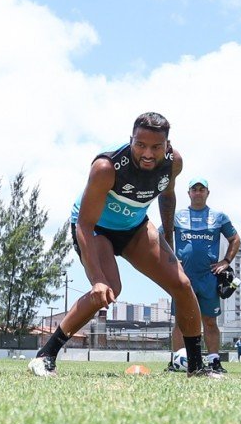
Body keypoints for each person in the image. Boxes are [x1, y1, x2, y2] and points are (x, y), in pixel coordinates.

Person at [30, 112, 214, 378]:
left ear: (167, 145)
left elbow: (168, 195)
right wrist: (97, 279)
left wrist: (169, 240)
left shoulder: (174, 162)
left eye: (156, 147)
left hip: (135, 227)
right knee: (109, 289)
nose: (148, 153)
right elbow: (85, 224)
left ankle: (197, 367)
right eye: (140, 145)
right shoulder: (107, 167)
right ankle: (45, 355)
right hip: (97, 229)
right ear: (131, 141)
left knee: (182, 284)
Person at [170, 178, 239, 374]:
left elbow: (234, 239)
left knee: (210, 321)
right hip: (183, 278)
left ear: (208, 193)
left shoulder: (219, 217)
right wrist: (171, 260)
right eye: (194, 189)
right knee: (180, 322)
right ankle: (178, 361)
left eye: (202, 189)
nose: (198, 192)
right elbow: (160, 237)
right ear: (188, 193)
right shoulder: (177, 217)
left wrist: (226, 261)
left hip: (208, 278)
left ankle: (214, 361)